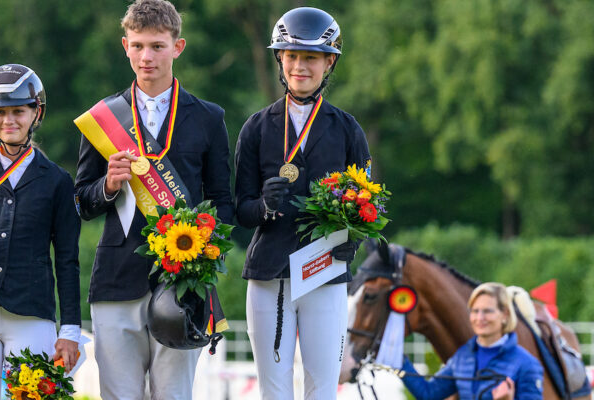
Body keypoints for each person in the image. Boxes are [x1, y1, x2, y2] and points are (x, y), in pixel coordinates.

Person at [74, 0, 233, 398]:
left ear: (178, 47)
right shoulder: (102, 119)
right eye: (139, 46)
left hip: (183, 283)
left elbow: (222, 201)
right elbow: (81, 202)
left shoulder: (209, 117)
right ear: (124, 45)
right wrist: (107, 186)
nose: (147, 57)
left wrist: (206, 261)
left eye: (158, 46)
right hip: (115, 280)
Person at [233, 7, 371, 399]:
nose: (300, 66)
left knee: (322, 388)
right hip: (269, 272)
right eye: (291, 56)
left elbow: (367, 206)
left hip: (325, 271)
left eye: (310, 57)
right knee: (274, 390)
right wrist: (262, 206)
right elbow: (240, 209)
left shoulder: (347, 129)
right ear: (280, 59)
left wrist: (352, 240)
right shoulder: (257, 127)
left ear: (329, 62)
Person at [0, 63, 81, 398]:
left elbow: (67, 260)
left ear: (36, 114)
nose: (9, 120)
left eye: (18, 111)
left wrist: (70, 330)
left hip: (31, 316)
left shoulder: (57, 181)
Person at [400, 282, 543, 399]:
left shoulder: (527, 364)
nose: (480, 318)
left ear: (505, 315)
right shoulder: (463, 357)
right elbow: (429, 394)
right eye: (475, 311)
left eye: (488, 311)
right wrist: (399, 361)